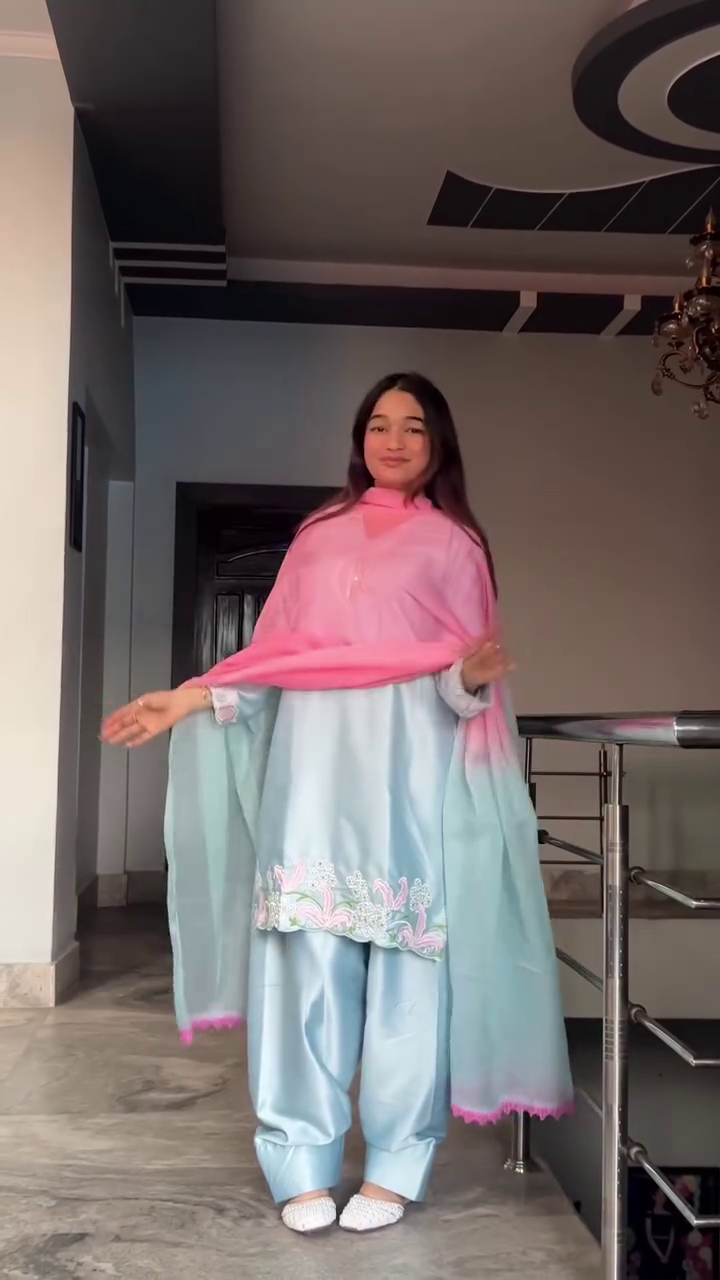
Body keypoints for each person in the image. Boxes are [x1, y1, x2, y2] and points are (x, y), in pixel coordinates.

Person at [102, 372, 572, 1236]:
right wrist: (191, 698)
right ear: (359, 439)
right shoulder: (318, 538)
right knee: (302, 974)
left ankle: (396, 1166)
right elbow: (276, 663)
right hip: (313, 786)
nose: (393, 440)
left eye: (413, 427)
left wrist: (468, 679)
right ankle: (299, 1159)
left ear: (438, 445)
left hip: (409, 788)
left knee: (409, 985)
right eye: (378, 424)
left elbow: (463, 692)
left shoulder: (457, 547)